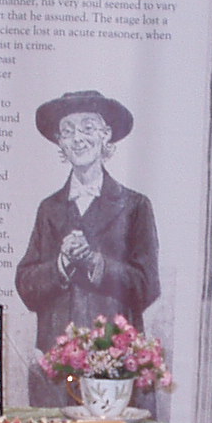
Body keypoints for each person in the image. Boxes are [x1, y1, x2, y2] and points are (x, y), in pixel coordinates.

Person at [16, 90, 159, 406]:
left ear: (106, 135)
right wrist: (62, 264)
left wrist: (95, 262)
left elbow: (147, 286)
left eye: (88, 128)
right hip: (56, 372)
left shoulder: (135, 206)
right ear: (60, 143)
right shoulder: (49, 209)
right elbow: (25, 285)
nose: (77, 139)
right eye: (67, 131)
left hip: (115, 368)